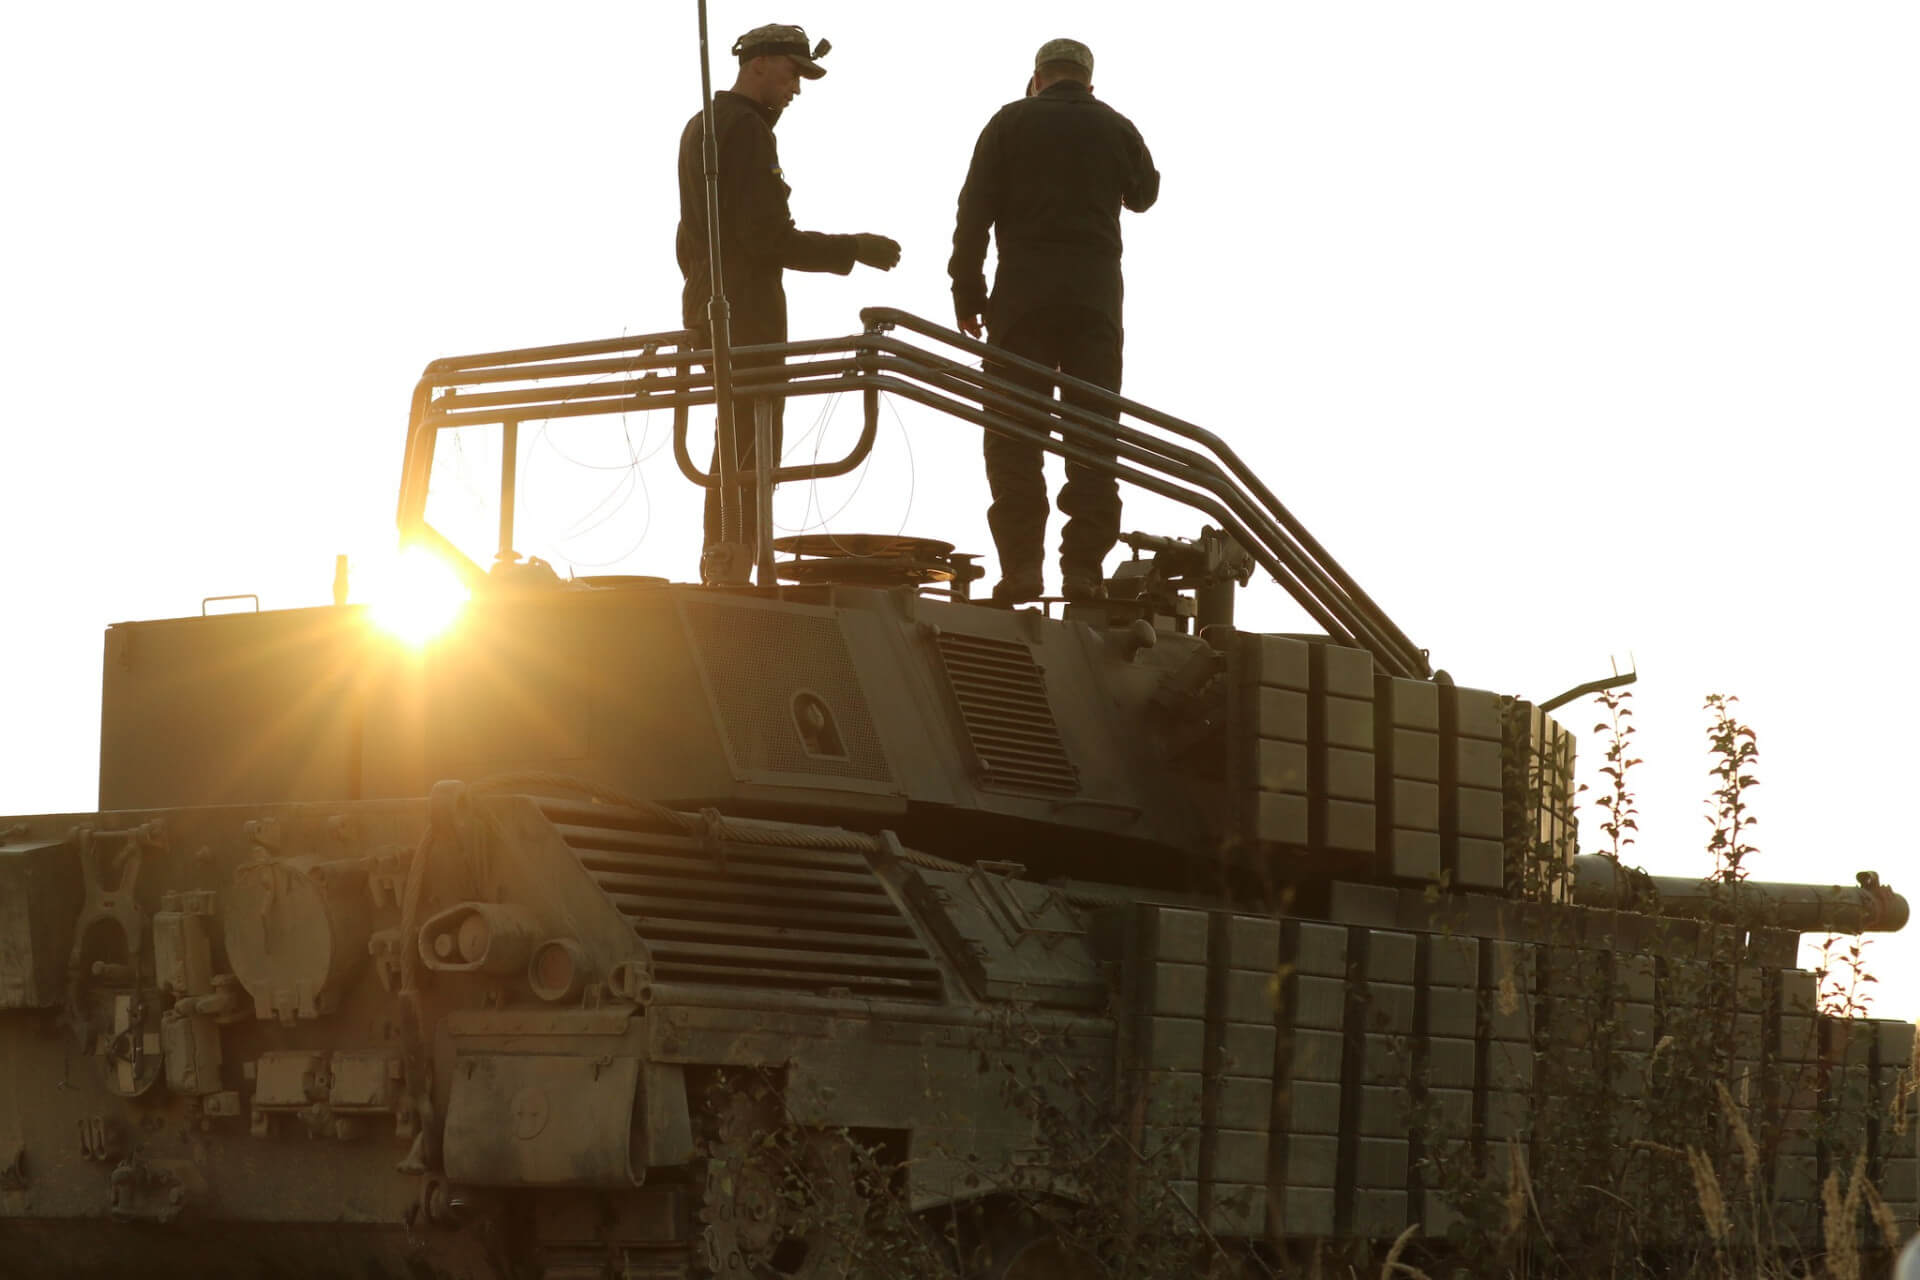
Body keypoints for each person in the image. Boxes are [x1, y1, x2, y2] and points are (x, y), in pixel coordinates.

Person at [676, 23, 900, 579]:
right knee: (753, 445)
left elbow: (689, 237)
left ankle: (723, 561)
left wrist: (701, 293)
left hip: (707, 304)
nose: (796, 89)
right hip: (746, 310)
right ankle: (739, 564)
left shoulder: (702, 126)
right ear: (758, 64)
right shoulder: (749, 131)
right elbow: (768, 237)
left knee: (734, 445)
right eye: (792, 73)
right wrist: (854, 248)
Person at [948, 37, 1160, 604]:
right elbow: (1145, 195)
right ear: (1087, 81)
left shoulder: (1009, 123)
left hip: (1021, 302)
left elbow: (973, 214)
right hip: (1093, 304)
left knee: (1014, 432)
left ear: (1037, 76)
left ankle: (1021, 568)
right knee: (1093, 435)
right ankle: (1083, 570)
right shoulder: (1115, 126)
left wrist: (967, 289)